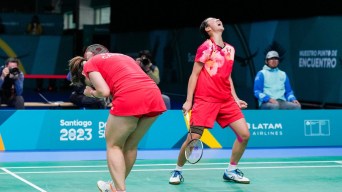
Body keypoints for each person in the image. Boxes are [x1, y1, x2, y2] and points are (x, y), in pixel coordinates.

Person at [68, 53, 167, 192]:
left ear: (83, 75)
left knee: (113, 145)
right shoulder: (122, 57)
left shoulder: (89, 65)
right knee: (131, 146)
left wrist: (90, 92)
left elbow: (103, 91)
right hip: (154, 96)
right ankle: (114, 187)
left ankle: (120, 190)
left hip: (131, 96)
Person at [168, 17, 250, 185]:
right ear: (207, 29)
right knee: (193, 138)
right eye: (213, 20)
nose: (218, 20)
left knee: (244, 135)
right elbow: (194, 74)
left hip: (226, 100)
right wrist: (189, 101)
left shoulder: (230, 49)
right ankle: (177, 170)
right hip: (205, 100)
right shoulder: (206, 47)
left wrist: (236, 98)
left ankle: (231, 170)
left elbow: (227, 76)